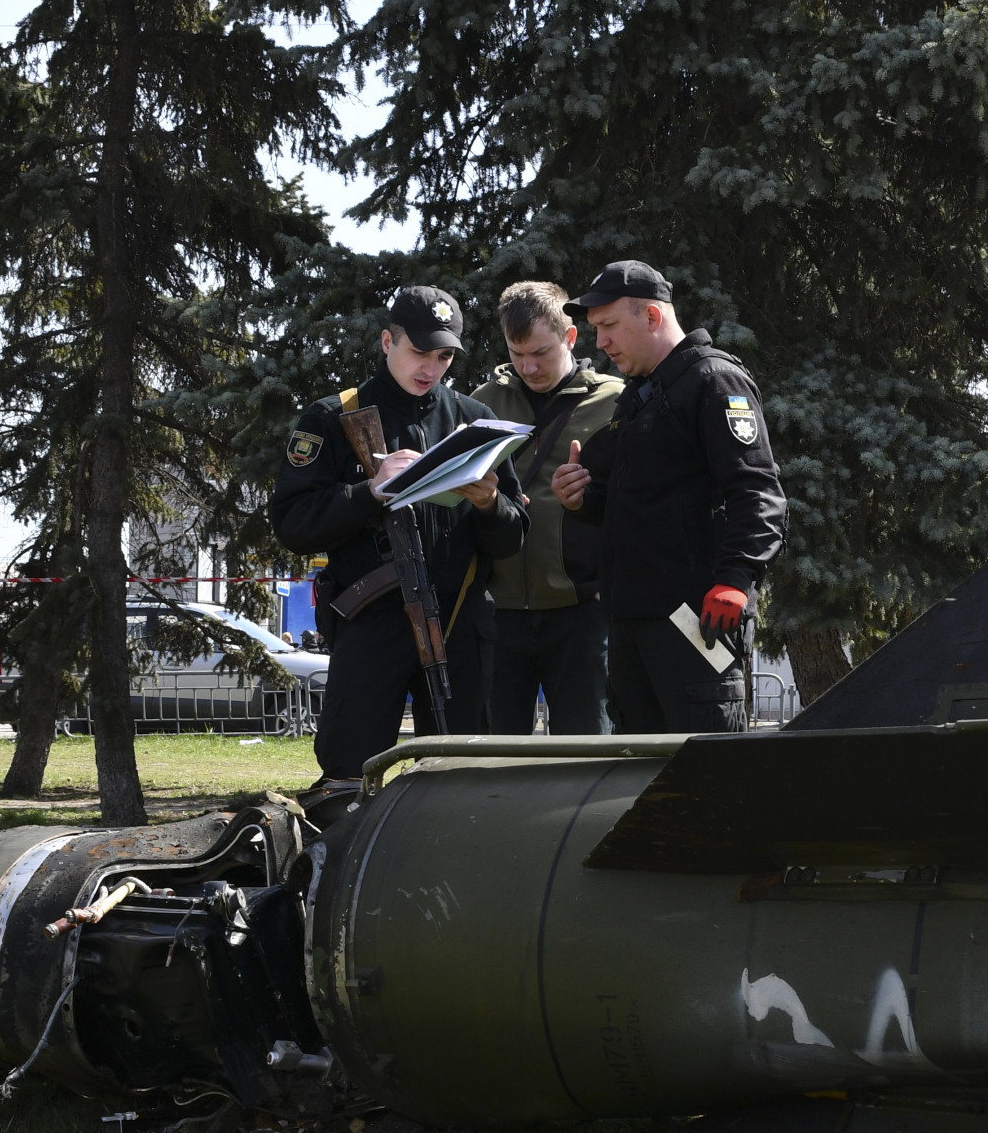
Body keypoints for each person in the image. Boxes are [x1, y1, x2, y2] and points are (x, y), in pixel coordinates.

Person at [272, 286, 529, 785]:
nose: (431, 367)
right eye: (419, 351)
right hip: (372, 625)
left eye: (445, 355)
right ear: (387, 341)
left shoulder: (476, 421)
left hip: (459, 625)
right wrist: (369, 492)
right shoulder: (334, 417)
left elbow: (512, 538)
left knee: (463, 778)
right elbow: (293, 523)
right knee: (349, 774)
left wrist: (488, 504)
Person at [548, 261, 785, 733]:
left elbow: (758, 491)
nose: (601, 342)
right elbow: (633, 502)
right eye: (595, 330)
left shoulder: (715, 381)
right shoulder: (639, 395)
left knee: (706, 776)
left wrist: (736, 579)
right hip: (632, 623)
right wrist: (582, 498)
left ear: (652, 318)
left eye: (610, 326)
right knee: (637, 781)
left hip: (696, 623)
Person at [471, 280, 625, 734]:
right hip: (499, 614)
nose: (529, 367)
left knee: (585, 751)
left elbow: (637, 503)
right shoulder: (482, 405)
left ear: (570, 337)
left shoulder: (617, 401)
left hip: (582, 613)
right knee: (492, 755)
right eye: (517, 354)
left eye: (540, 352)